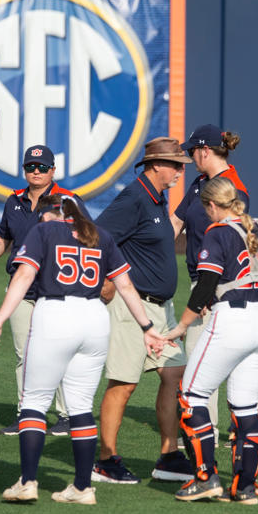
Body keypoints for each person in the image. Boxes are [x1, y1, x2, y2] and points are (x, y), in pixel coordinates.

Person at [0, 195, 167, 504]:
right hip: (95, 319)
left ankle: (28, 482)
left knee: (34, 400)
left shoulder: (44, 232)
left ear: (50, 212)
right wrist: (148, 328)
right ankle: (82, 488)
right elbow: (125, 286)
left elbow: (25, 275)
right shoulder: (101, 236)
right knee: (81, 405)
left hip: (55, 314)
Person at [166, 177, 258, 503]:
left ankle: (206, 478)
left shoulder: (217, 233)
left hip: (232, 320)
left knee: (191, 395)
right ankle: (245, 486)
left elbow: (205, 285)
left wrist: (181, 326)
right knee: (246, 405)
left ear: (211, 206)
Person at [0, 145, 89, 436]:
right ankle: (28, 415)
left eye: (42, 167)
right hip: (21, 287)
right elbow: (2, 238)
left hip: (57, 286)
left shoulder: (67, 200)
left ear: (53, 171)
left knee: (61, 350)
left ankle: (66, 415)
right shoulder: (14, 201)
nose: (36, 172)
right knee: (26, 354)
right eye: (31, 167)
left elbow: (88, 236)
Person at [170, 124, 258, 447]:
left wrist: (212, 291)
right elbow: (177, 222)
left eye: (193, 151)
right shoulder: (201, 183)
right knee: (230, 358)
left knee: (205, 356)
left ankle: (207, 430)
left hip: (218, 285)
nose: (191, 156)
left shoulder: (232, 188)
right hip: (205, 280)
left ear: (205, 150)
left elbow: (244, 241)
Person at [92, 137, 192, 484]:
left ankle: (168, 455)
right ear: (154, 166)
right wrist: (105, 278)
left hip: (162, 311)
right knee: (124, 384)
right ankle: (105, 460)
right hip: (129, 307)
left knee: (174, 375)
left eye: (181, 165)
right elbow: (95, 237)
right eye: (175, 165)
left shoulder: (157, 198)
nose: (181, 171)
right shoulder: (134, 198)